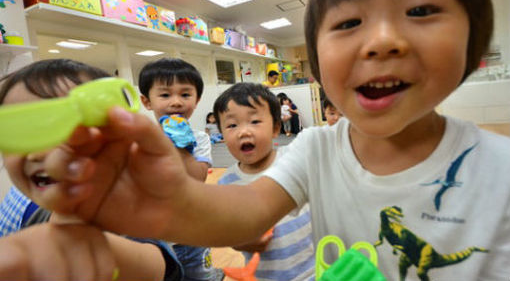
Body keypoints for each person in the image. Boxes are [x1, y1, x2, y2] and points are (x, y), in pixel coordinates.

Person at [15, 0, 510, 279]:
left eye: (420, 11)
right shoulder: (318, 147)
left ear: (474, 37)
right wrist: (162, 201)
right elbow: (244, 212)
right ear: (316, 59)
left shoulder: (500, 168)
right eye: (350, 21)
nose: (382, 41)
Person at [0, 59, 183, 280]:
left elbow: (154, 266)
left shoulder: (122, 213)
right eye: (18, 133)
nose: (37, 154)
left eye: (66, 127)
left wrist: (80, 247)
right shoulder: (32, 212)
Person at [215, 83, 315, 281]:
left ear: (276, 128)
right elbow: (231, 233)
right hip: (265, 275)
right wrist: (242, 242)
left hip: (313, 269)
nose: (243, 132)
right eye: (232, 125)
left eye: (254, 121)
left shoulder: (293, 160)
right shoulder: (227, 183)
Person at [138, 58, 223, 281]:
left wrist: (182, 146)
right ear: (147, 101)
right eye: (165, 95)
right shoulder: (141, 139)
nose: (176, 102)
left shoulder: (200, 138)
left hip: (193, 234)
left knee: (200, 278)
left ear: (196, 101)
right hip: (156, 239)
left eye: (185, 95)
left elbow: (197, 178)